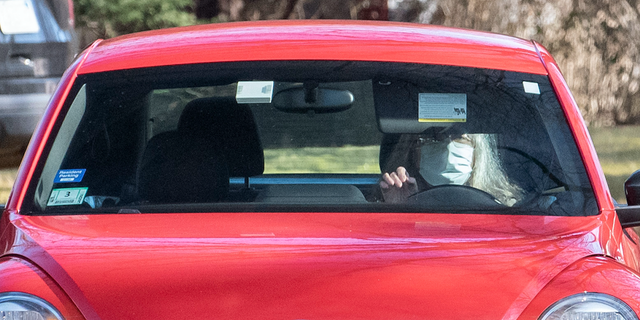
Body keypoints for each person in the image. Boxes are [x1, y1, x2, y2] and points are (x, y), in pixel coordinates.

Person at [379, 132, 524, 206]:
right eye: (433, 138)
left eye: (460, 137)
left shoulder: (507, 207)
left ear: (478, 153)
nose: (448, 148)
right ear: (413, 153)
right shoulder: (376, 206)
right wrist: (402, 207)